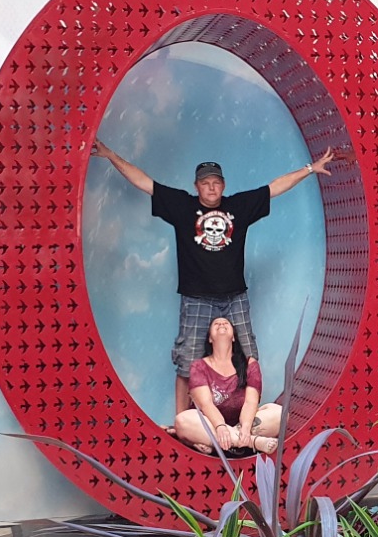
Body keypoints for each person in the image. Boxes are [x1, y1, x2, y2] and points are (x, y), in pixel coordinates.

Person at [91, 139, 341, 413]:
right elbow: (144, 182)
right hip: (196, 298)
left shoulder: (239, 206)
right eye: (205, 183)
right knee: (187, 362)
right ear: (196, 186)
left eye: (216, 183)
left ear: (223, 185)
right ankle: (182, 421)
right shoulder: (182, 206)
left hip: (235, 298)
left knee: (250, 357)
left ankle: (249, 419)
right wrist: (111, 155)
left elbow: (275, 187)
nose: (211, 187)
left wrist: (310, 168)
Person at [174, 315, 281, 455]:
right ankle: (251, 442)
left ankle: (225, 442)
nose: (221, 324)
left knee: (280, 413)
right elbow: (206, 404)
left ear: (234, 337)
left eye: (226, 323)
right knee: (182, 420)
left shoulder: (250, 364)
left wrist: (245, 427)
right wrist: (220, 426)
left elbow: (251, 402)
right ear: (210, 338)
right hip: (211, 423)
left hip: (242, 424)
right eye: (216, 324)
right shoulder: (198, 366)